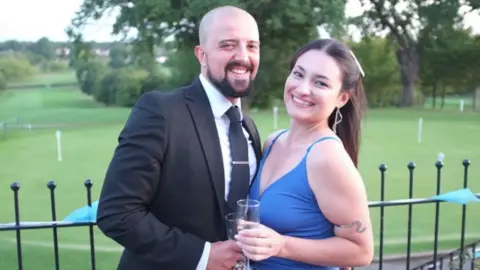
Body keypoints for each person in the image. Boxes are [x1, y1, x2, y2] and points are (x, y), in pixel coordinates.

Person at [96, 5, 263, 270]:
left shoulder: (248, 127)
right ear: (202, 54)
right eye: (228, 45)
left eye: (252, 46)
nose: (243, 56)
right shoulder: (161, 112)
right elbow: (117, 212)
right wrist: (203, 256)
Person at [234, 39, 374, 270]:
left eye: (320, 83)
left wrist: (282, 246)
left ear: (342, 98)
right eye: (298, 74)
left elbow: (361, 252)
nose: (302, 89)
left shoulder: (327, 157)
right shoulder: (273, 141)